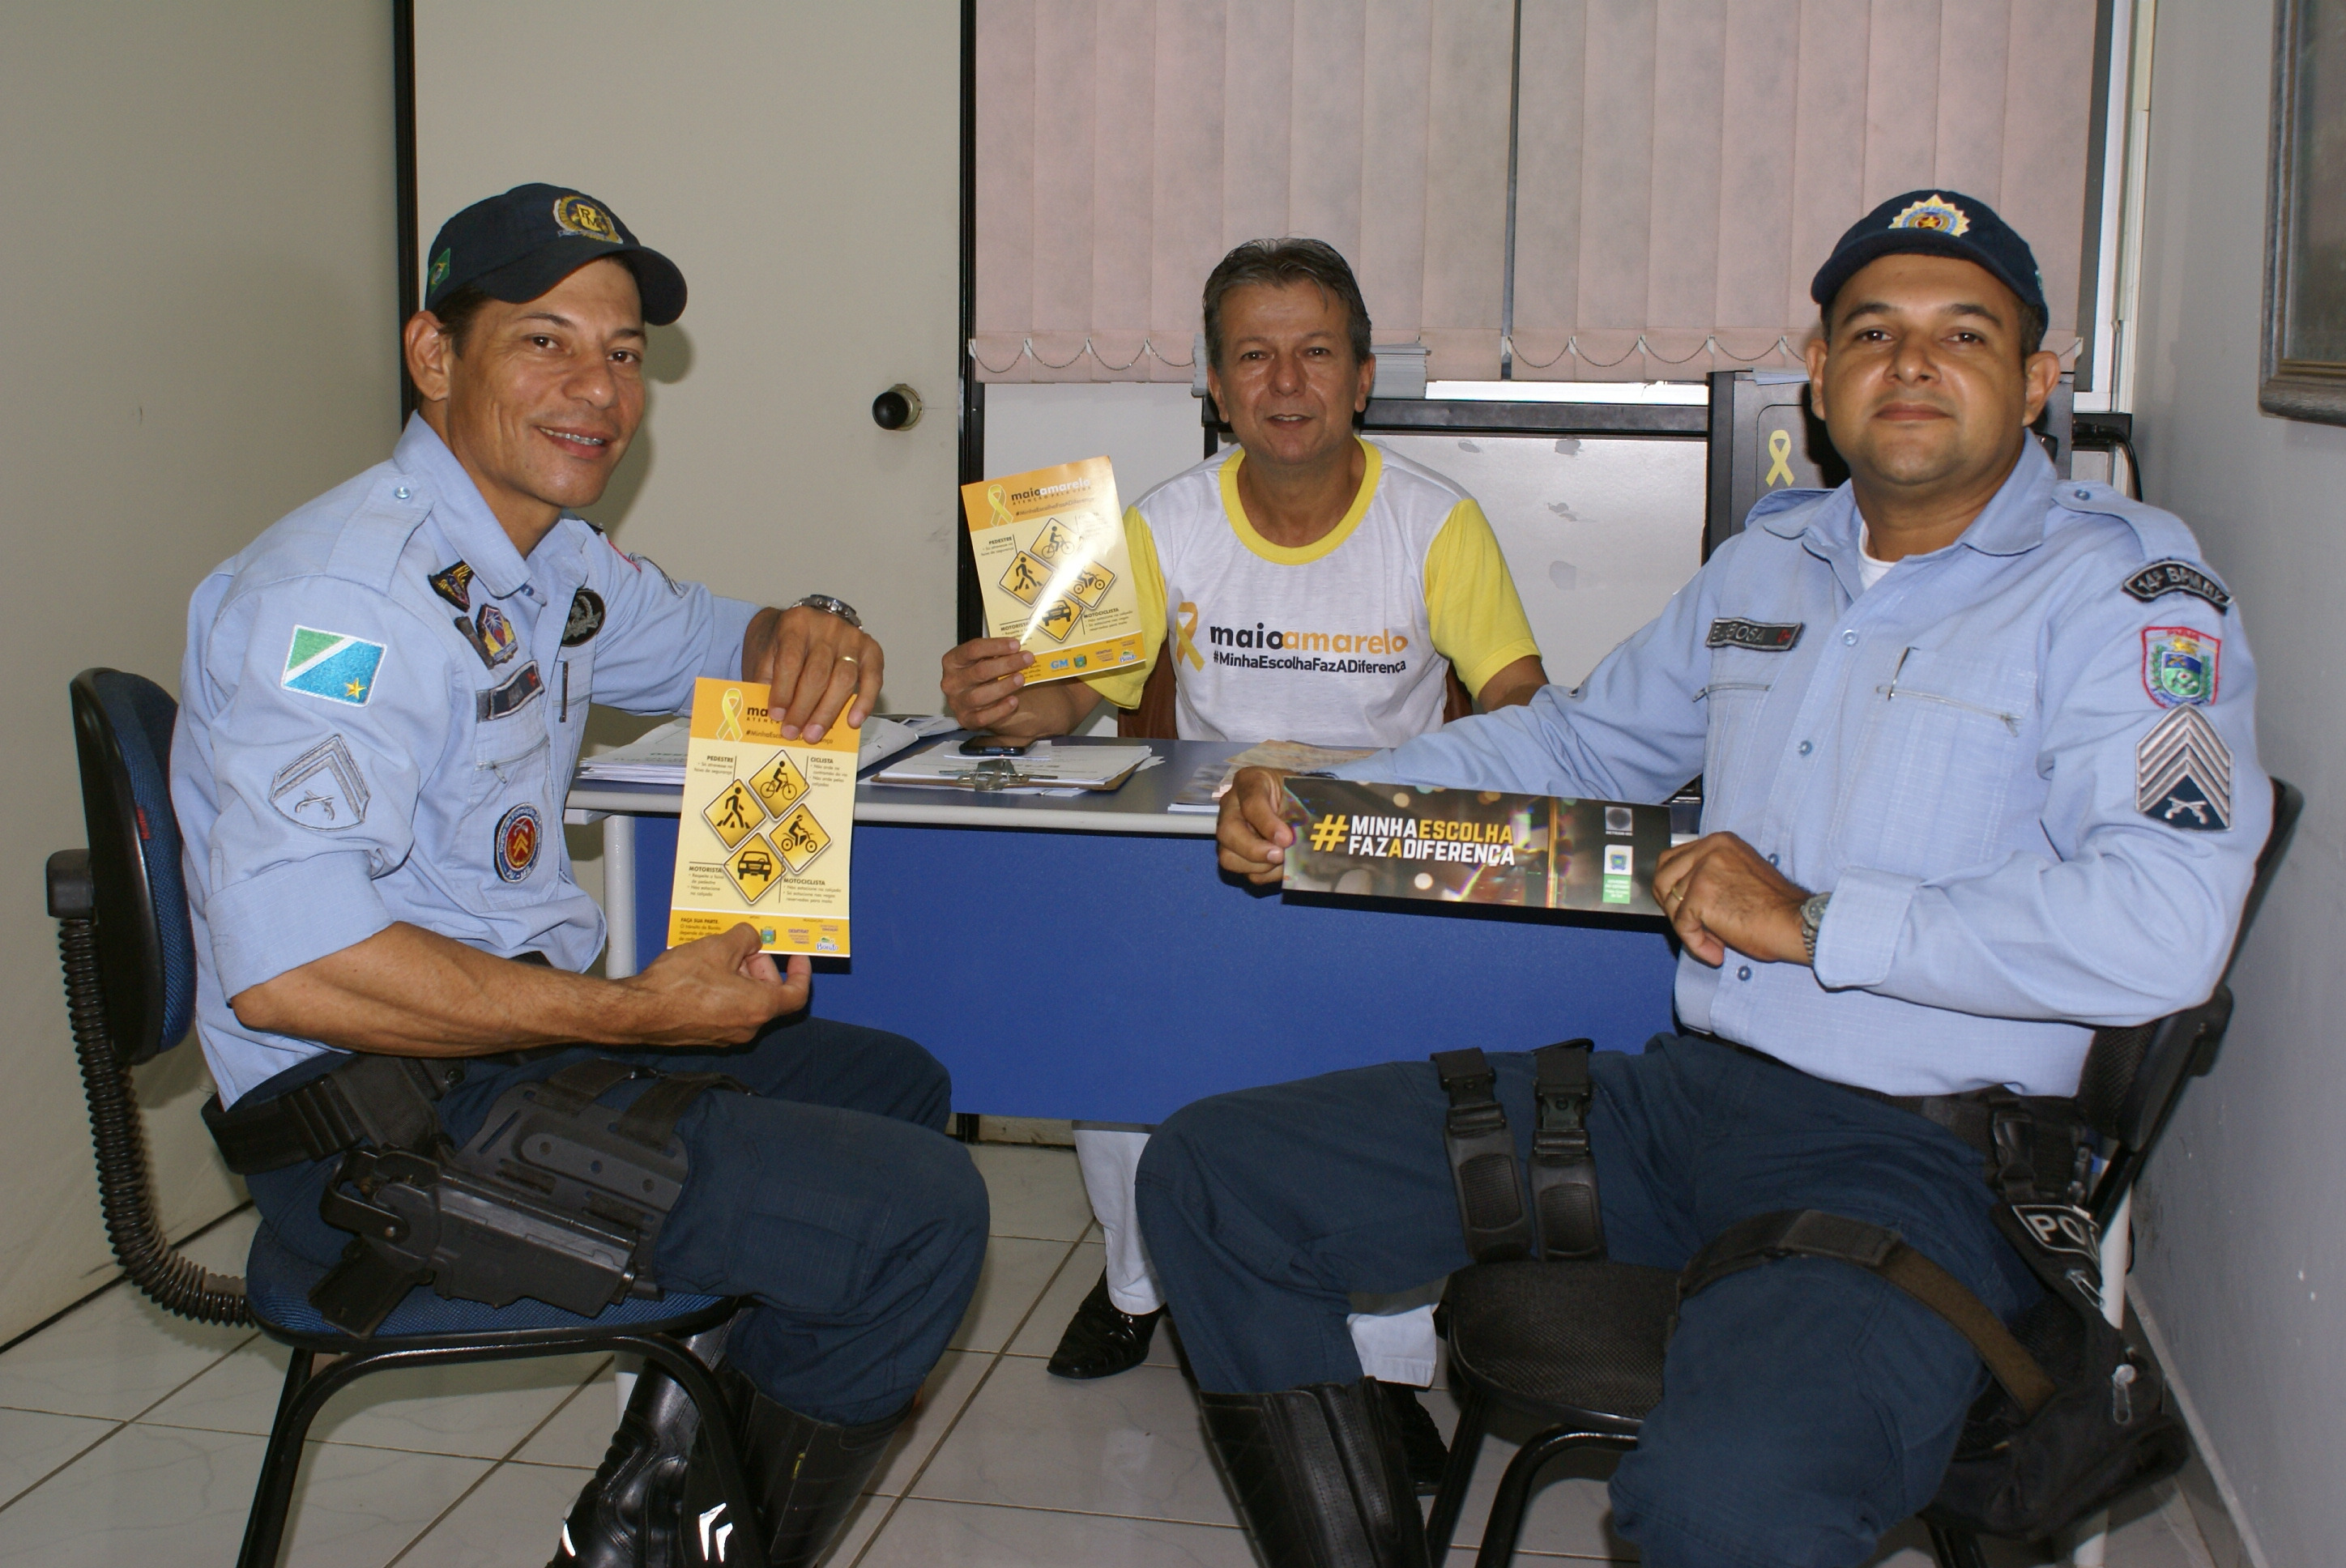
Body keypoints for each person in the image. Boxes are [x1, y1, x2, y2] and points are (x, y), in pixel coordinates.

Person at [1134, 190, 2267, 1566]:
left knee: (1723, 1509)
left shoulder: (2128, 594)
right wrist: (1325, 795)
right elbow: (1578, 738)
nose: (1909, 364)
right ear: (1823, 373)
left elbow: (2166, 926)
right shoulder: (1770, 561)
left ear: (2036, 381)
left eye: (1960, 334)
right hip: (1689, 1102)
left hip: (1916, 1159)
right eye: (1871, 332)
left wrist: (1816, 921)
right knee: (1213, 1176)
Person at [172, 185, 987, 1568]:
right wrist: (641, 1015)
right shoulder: (342, 603)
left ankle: (642, 1520)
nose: (597, 391)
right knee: (921, 1217)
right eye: (545, 342)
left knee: (896, 1084)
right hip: (376, 1130)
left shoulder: (542, 564)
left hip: (494, 1059)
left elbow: (723, 638)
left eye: (622, 354)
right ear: (436, 358)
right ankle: (702, 1545)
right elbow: (300, 972)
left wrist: (815, 629)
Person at [938, 240, 1547, 1458]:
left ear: (1361, 375)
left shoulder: (1439, 523)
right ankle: (1134, 1291)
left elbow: (1524, 703)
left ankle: (1383, 1365)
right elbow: (1079, 695)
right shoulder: (1162, 524)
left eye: (1315, 351)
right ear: (1217, 386)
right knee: (1116, 1063)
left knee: (1390, 1098)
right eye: (1254, 356)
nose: (1286, 381)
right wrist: (1012, 701)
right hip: (1202, 854)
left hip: (1377, 858)